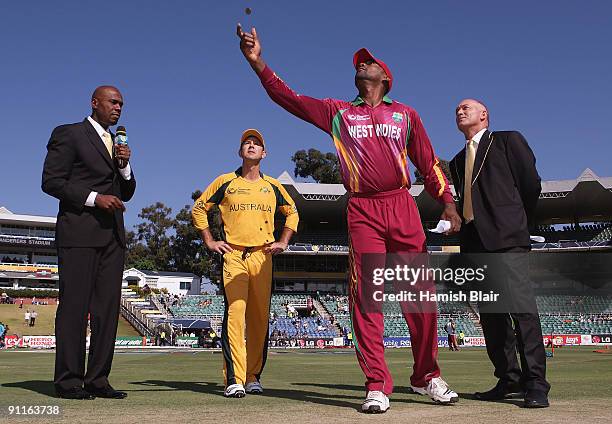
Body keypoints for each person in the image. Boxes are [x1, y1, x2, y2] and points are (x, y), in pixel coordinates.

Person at [237, 26, 461, 413]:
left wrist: (448, 202)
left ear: (385, 77)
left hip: (402, 205)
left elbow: (428, 162)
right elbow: (288, 98)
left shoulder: (406, 115)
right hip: (363, 210)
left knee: (419, 297)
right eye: (358, 64)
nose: (361, 66)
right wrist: (258, 63)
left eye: (369, 62)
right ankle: (377, 384)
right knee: (366, 298)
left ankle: (427, 376)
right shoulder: (338, 112)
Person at [448, 98, 550, 408]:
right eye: (457, 110)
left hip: (507, 237)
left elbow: (530, 184)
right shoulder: (455, 161)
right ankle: (508, 379)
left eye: (467, 107)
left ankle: (535, 384)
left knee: (521, 311)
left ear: (484, 115)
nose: (460, 111)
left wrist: (516, 220)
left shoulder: (508, 140)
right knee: (492, 317)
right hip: (474, 243)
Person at [42, 85, 136, 400]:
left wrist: (124, 166)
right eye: (113, 102)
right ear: (95, 103)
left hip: (113, 237)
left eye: (121, 103)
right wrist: (96, 199)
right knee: (75, 307)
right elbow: (51, 181)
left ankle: (98, 379)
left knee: (106, 311)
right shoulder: (69, 134)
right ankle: (68, 381)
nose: (118, 107)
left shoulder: (118, 144)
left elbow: (128, 191)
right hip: (79, 233)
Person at [192, 128, 299, 398]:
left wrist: (283, 241)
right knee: (236, 315)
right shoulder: (225, 181)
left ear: (264, 153)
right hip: (234, 255)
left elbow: (292, 212)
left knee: (259, 318)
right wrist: (210, 241)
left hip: (263, 256)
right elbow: (199, 208)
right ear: (240, 152)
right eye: (246, 143)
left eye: (256, 143)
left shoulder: (273, 186)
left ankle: (253, 376)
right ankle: (234, 379)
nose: (251, 146)